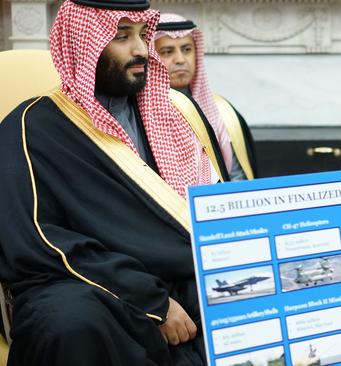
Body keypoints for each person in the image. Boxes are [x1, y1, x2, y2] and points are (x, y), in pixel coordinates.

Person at [0, 0, 228, 364]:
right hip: (95, 290)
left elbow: (216, 210)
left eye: (142, 35)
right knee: (67, 321)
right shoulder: (31, 128)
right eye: (122, 36)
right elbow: (38, 243)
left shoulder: (171, 120)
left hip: (183, 280)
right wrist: (151, 302)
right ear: (83, 42)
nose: (141, 49)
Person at [154, 13, 257, 180]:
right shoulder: (138, 114)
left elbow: (236, 177)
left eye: (187, 50)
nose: (180, 59)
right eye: (167, 52)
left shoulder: (222, 111)